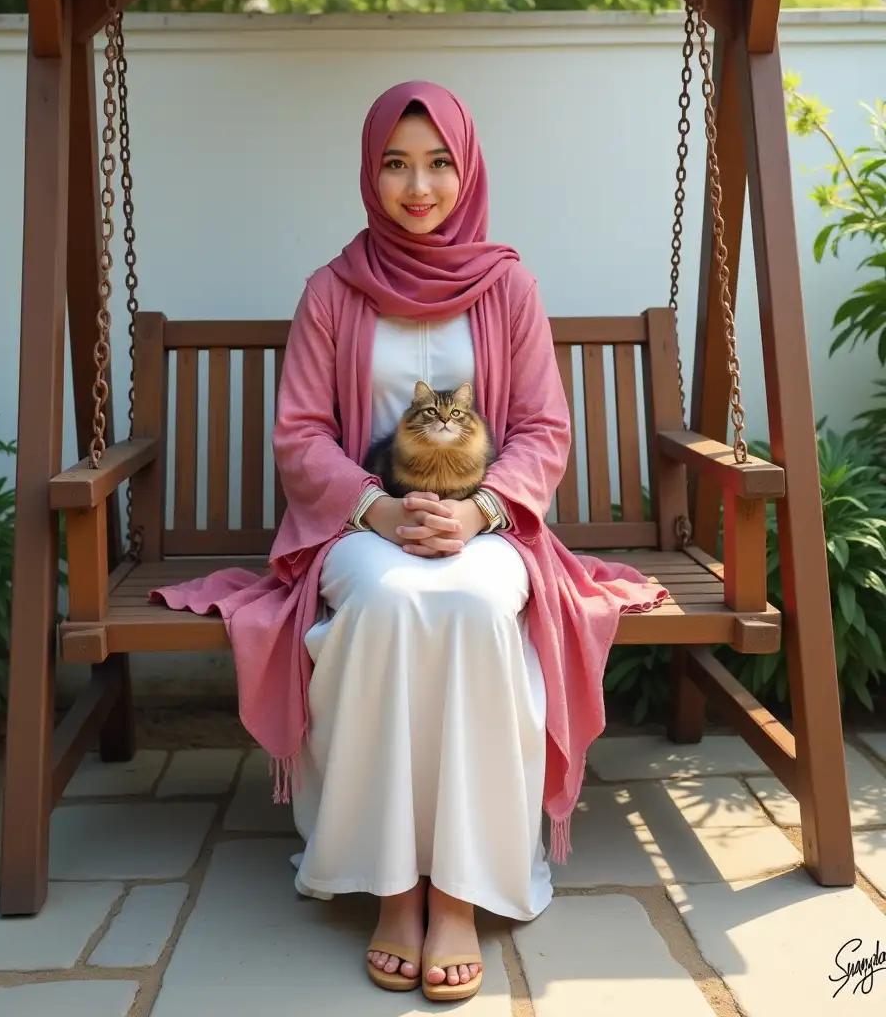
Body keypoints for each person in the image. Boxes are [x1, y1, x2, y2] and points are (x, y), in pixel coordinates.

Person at [152, 81, 665, 1003]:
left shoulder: (508, 285)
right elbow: (300, 434)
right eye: (395, 163)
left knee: (472, 604)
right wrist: (376, 510)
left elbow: (545, 429)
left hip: (488, 523)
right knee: (388, 604)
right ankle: (392, 884)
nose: (417, 185)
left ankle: (462, 890)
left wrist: (479, 512)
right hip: (359, 524)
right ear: (369, 172)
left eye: (437, 162)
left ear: (466, 171)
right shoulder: (331, 290)